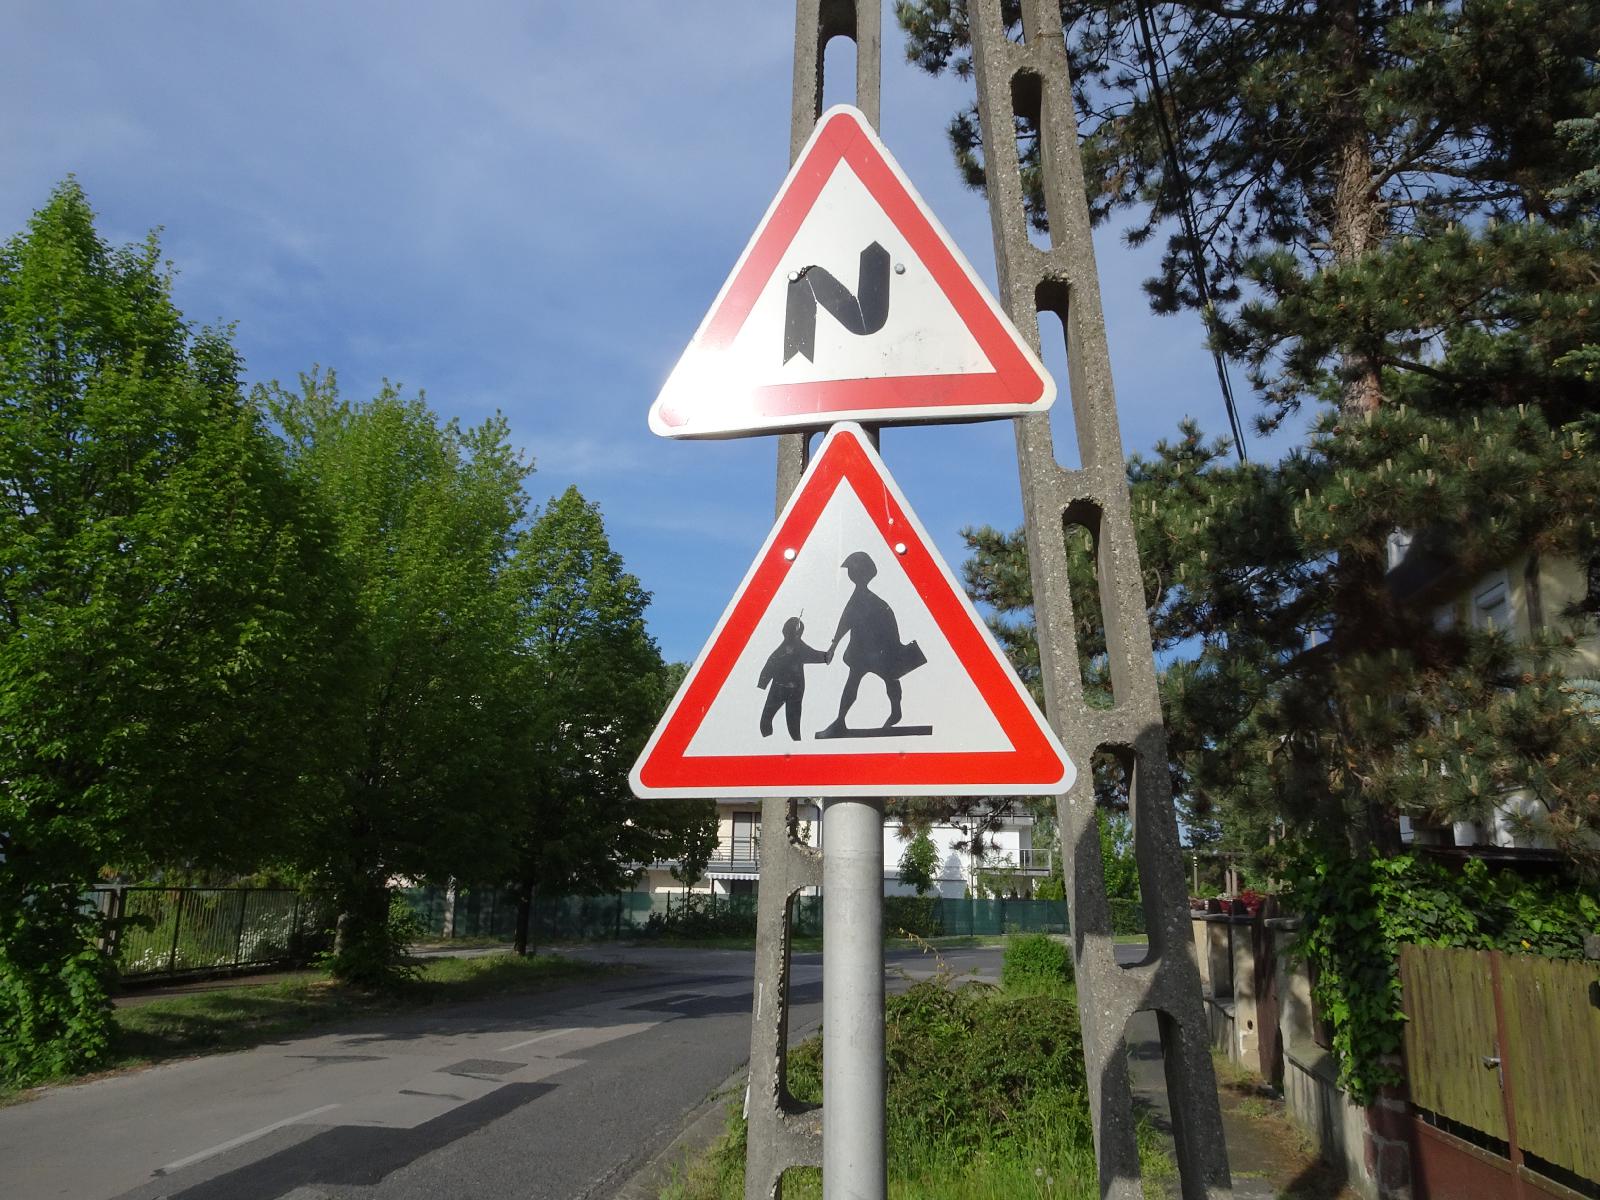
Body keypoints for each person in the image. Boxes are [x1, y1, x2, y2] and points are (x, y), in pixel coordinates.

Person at [822, 551, 925, 734]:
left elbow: (889, 629)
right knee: (855, 682)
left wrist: (895, 650)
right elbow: (845, 622)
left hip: (879, 653)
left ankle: (895, 712)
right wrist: (834, 645)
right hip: (861, 653)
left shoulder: (876, 603)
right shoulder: (860, 599)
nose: (851, 574)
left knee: (889, 679)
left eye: (853, 570)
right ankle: (841, 720)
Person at [757, 616, 828, 740]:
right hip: (783, 689)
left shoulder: (798, 647)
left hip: (790, 690)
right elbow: (770, 666)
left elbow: (769, 666)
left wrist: (826, 657)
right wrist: (826, 657)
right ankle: (783, 743)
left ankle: (795, 744)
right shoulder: (787, 648)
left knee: (789, 725)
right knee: (770, 722)